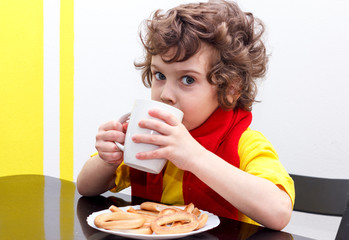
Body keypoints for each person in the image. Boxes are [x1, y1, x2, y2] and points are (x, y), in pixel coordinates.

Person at [77, 0, 295, 230]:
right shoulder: (150, 137)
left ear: (230, 89)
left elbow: (278, 213)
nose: (166, 94)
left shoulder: (246, 144)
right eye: (159, 75)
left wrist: (194, 157)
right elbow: (85, 187)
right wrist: (107, 160)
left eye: (188, 79)